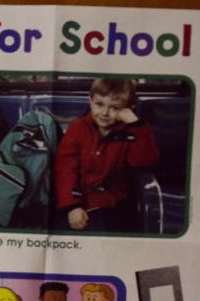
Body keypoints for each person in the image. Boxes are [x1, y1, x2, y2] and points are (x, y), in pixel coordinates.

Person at [54, 78, 160, 233]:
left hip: (113, 204)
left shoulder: (131, 131)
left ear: (128, 110)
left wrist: (136, 126)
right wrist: (72, 206)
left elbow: (145, 160)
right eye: (99, 104)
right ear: (90, 101)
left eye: (114, 108)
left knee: (103, 232)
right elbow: (65, 169)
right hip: (75, 201)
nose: (104, 113)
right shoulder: (78, 128)